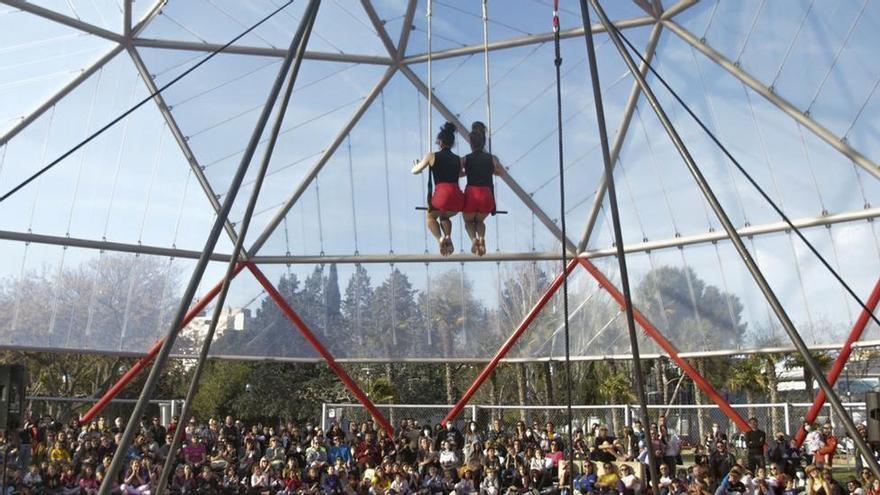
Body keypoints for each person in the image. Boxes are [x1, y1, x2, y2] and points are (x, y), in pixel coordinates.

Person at [412, 122, 465, 255]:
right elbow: (460, 174)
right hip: (457, 198)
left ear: (440, 142)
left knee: (430, 218)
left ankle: (440, 238)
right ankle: (448, 236)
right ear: (452, 143)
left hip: (441, 195)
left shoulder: (431, 156)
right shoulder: (458, 159)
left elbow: (415, 171)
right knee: (445, 216)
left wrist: (416, 165)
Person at [461, 121, 504, 256]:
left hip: (472, 195)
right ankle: (482, 238)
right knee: (479, 221)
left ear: (471, 143)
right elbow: (501, 172)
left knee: (468, 222)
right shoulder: (492, 158)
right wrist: (489, 170)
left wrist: (469, 171)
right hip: (486, 196)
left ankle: (474, 240)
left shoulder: (465, 159)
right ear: (484, 141)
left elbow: (457, 174)